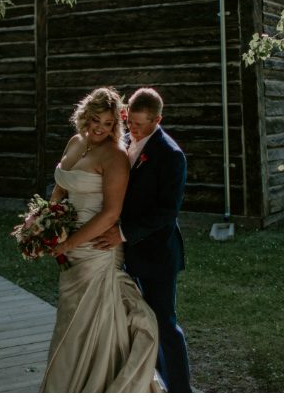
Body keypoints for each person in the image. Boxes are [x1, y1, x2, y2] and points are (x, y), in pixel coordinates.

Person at [40, 87, 163, 392]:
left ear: (115, 124)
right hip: (67, 246)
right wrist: (43, 223)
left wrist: (69, 243)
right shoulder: (75, 142)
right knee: (69, 324)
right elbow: (61, 187)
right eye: (96, 120)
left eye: (108, 124)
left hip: (96, 249)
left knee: (92, 326)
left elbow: (111, 213)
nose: (100, 128)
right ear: (85, 115)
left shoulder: (116, 157)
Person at [92, 87, 192, 393]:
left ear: (157, 119)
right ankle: (155, 383)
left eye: (138, 125)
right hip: (124, 253)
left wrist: (122, 232)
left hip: (157, 255)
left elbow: (166, 212)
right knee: (137, 323)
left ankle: (180, 390)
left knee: (163, 324)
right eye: (129, 121)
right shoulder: (123, 142)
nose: (131, 129)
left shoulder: (170, 155)